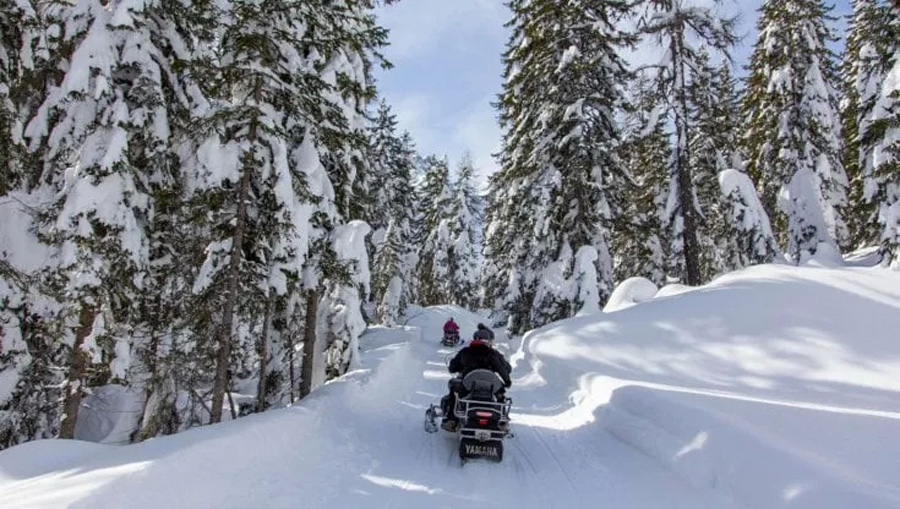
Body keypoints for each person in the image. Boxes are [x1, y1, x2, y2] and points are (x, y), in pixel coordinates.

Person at [440, 334, 511, 431]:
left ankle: (451, 419)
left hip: (469, 383)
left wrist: (457, 367)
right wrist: (507, 381)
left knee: (455, 392)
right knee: (500, 395)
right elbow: (500, 367)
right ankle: (502, 421)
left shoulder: (465, 352)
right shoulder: (490, 353)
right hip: (489, 385)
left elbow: (452, 367)